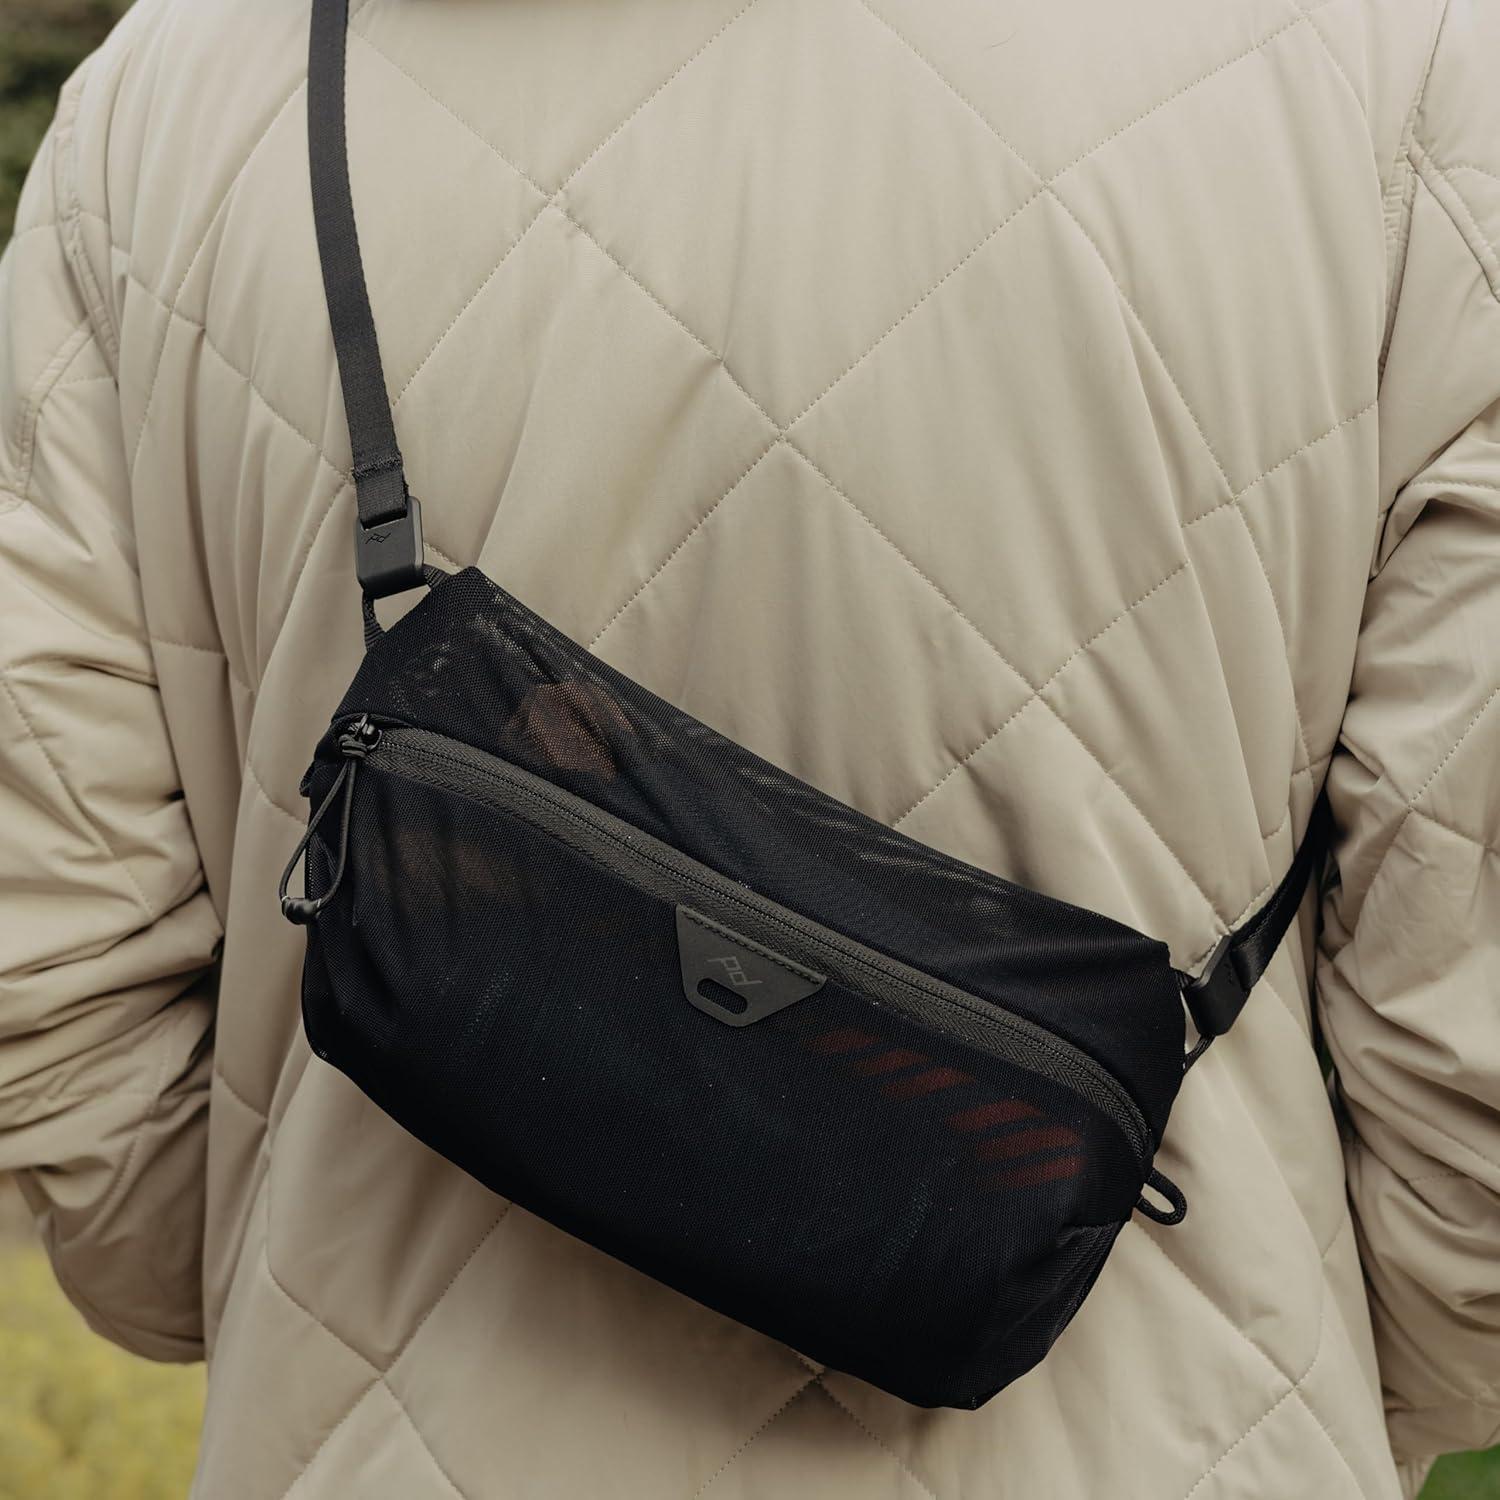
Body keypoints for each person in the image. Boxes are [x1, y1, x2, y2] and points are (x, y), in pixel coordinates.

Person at [1, 0, 1497, 1495]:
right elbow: (1473, 1056)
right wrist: (1306, 1387)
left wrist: (284, 1271)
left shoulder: (169, 105)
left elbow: (50, 979)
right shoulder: (1411, 69)